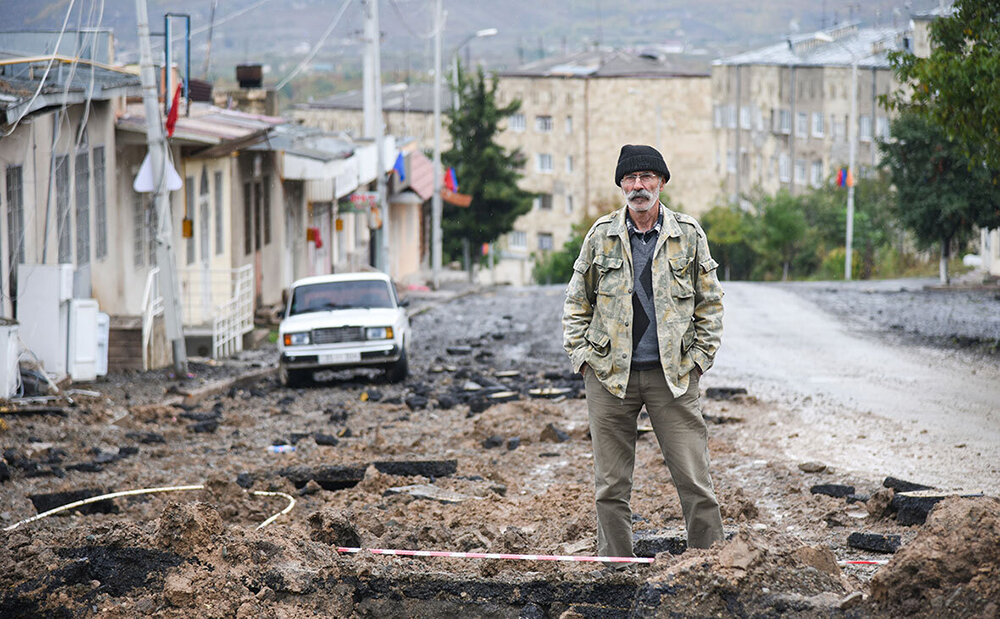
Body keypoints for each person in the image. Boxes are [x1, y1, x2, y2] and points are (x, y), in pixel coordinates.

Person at [562, 144, 725, 557]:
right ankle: (615, 571)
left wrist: (700, 360)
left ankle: (712, 565)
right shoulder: (601, 236)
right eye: (630, 179)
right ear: (621, 185)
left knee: (694, 479)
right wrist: (583, 359)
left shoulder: (687, 234)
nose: (638, 186)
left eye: (646, 178)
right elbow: (576, 303)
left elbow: (710, 303)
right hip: (609, 377)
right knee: (611, 486)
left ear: (661, 183)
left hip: (672, 377)